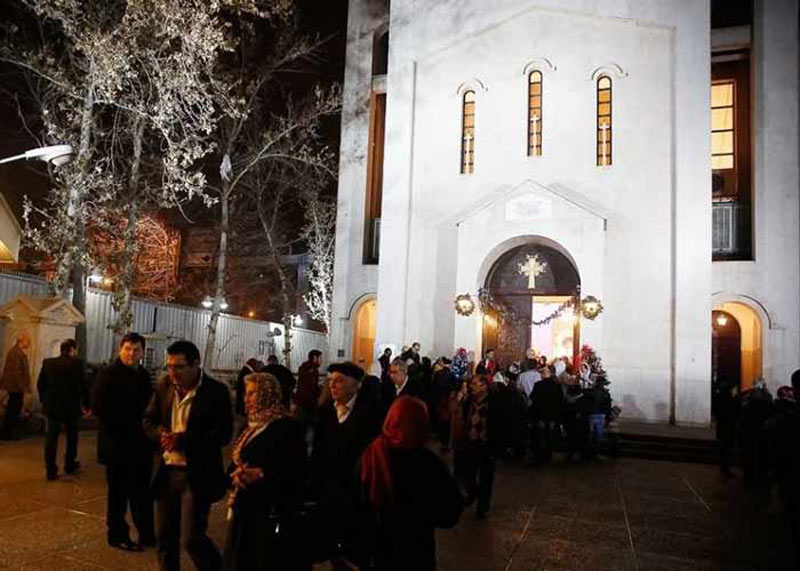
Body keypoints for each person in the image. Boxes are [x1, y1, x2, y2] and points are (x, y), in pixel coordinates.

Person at [144, 340, 233, 571]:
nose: (173, 372)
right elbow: (148, 420)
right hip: (166, 471)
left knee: (192, 538)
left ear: (196, 364)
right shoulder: (164, 386)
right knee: (164, 538)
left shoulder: (215, 392)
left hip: (195, 474)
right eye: (169, 366)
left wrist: (183, 439)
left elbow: (223, 434)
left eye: (179, 367)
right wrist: (160, 434)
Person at [359, 396, 463, 570]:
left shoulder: (372, 453)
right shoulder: (430, 465)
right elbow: (449, 515)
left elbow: (358, 498)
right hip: (416, 552)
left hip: (378, 549)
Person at [223, 373, 308, 571]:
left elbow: (297, 470)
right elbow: (235, 462)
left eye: (253, 394)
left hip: (269, 511)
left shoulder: (287, 427)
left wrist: (262, 474)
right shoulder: (248, 426)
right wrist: (236, 475)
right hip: (244, 508)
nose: (247, 399)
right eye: (246, 393)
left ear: (268, 395)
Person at [311, 361, 382, 568]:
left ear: (356, 385)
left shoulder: (372, 414)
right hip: (330, 490)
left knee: (355, 550)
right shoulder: (326, 412)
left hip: (358, 492)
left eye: (339, 381)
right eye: (330, 381)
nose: (333, 386)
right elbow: (318, 451)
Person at [93, 332, 156, 550]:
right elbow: (99, 408)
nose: (131, 353)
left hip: (141, 445)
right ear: (120, 349)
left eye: (136, 349)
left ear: (142, 352)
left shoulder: (143, 375)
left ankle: (147, 534)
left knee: (142, 492)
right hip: (117, 444)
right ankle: (117, 535)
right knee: (118, 494)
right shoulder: (108, 374)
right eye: (128, 348)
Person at [453, 374, 504, 520]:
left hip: (487, 443)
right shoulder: (470, 399)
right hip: (471, 441)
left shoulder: (494, 401)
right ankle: (474, 492)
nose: (471, 386)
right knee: (468, 472)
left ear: (483, 385)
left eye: (474, 384)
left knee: (486, 476)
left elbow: (499, 422)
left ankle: (483, 506)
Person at [38, 339, 88, 481]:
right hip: (71, 407)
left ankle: (50, 470)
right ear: (72, 349)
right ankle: (69, 465)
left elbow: (40, 384)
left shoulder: (48, 363)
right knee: (72, 437)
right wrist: (86, 404)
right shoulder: (77, 364)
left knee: (51, 439)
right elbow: (83, 385)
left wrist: (44, 400)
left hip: (52, 407)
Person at [0, 331, 32, 440]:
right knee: (13, 410)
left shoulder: (17, 352)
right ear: (22, 341)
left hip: (15, 386)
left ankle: (9, 432)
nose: (29, 343)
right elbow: (16, 372)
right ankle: (7, 433)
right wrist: (23, 387)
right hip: (15, 387)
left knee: (14, 409)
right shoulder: (15, 353)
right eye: (28, 341)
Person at [530, 365, 564, 464]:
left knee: (542, 434)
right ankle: (550, 453)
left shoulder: (538, 385)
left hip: (541, 414)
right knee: (551, 434)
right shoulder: (556, 385)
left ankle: (542, 454)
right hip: (552, 414)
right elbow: (560, 401)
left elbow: (533, 399)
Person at [713, 379, 740, 477]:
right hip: (727, 428)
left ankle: (724, 468)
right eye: (734, 389)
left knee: (724, 449)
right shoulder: (729, 400)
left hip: (723, 428)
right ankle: (725, 469)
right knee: (726, 449)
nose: (736, 391)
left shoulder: (722, 398)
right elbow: (735, 411)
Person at [293, 350, 322, 425]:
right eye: (320, 358)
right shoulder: (311, 369)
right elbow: (310, 386)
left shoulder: (305, 367)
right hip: (307, 402)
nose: (322, 360)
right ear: (315, 358)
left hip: (302, 400)